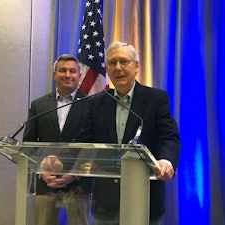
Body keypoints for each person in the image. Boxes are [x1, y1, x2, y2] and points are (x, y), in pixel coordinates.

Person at [74, 41, 181, 225]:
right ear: (106, 69)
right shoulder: (96, 103)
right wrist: (61, 160)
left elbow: (169, 138)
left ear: (136, 66)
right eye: (112, 63)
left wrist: (166, 160)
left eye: (124, 62)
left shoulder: (156, 99)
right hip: (105, 204)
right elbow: (83, 141)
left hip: (145, 200)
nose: (118, 68)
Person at [23, 54, 93, 225]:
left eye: (72, 71)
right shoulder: (38, 105)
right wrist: (42, 172)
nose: (67, 75)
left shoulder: (92, 104)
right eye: (62, 70)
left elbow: (93, 146)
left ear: (79, 76)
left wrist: (75, 173)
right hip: (46, 184)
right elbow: (29, 144)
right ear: (54, 75)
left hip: (78, 186)